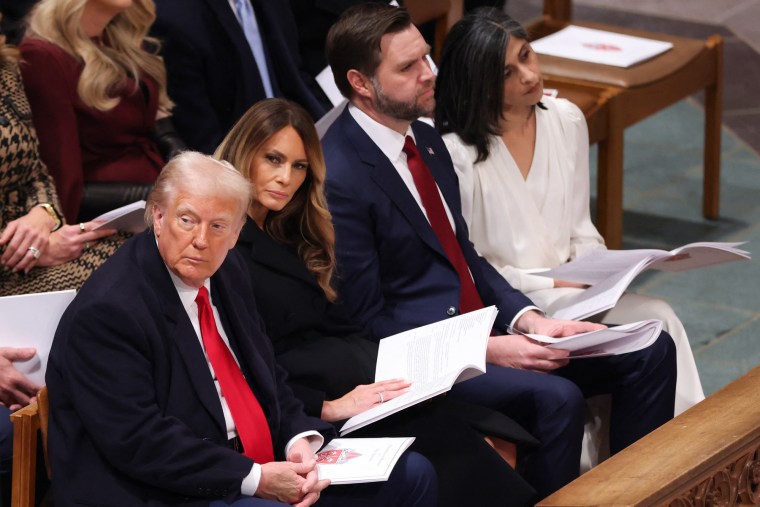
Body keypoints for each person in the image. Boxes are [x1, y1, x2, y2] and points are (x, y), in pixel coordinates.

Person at [321, 3, 677, 500]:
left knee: (648, 349)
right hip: (430, 360)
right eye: (408, 68)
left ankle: (636, 495)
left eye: (426, 58)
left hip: (487, 330)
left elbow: (464, 255)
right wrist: (482, 350)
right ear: (361, 83)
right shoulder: (340, 176)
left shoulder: (422, 137)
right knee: (557, 398)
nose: (430, 75)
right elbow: (366, 321)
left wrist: (529, 319)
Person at [46, 151, 437, 506]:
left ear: (236, 234)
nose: (201, 240)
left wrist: (299, 439)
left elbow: (266, 373)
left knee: (412, 475)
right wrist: (255, 478)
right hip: (168, 488)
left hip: (254, 461)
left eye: (218, 226)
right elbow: (140, 440)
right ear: (158, 217)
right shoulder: (109, 311)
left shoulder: (227, 269)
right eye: (187, 220)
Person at [215, 97, 537, 506]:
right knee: (464, 450)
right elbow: (241, 359)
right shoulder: (223, 245)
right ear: (245, 153)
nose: (285, 178)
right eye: (273, 159)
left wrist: (403, 360)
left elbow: (338, 322)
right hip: (311, 406)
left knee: (487, 441)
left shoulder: (290, 229)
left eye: (298, 166)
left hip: (364, 379)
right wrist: (327, 406)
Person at [434, 8, 704, 417]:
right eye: (506, 72)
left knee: (659, 317)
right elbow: (474, 266)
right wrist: (559, 279)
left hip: (579, 290)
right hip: (520, 308)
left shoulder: (566, 119)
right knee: (646, 330)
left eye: (526, 55)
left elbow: (582, 229)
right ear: (480, 85)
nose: (528, 74)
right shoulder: (457, 154)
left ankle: (682, 451)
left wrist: (608, 271)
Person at [20, 0, 183, 224]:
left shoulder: (120, 38)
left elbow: (153, 117)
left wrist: (180, 154)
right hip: (107, 222)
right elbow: (63, 184)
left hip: (160, 196)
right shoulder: (43, 55)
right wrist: (155, 197)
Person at [0, 33, 124, 296]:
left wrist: (43, 214)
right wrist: (31, 248)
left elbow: (36, 171)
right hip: (11, 263)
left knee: (140, 246)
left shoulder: (7, 69)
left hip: (32, 249)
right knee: (126, 273)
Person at [150, 0, 330, 154]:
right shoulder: (177, 18)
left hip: (299, 134)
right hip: (241, 161)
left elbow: (295, 76)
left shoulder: (271, 5)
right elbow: (204, 138)